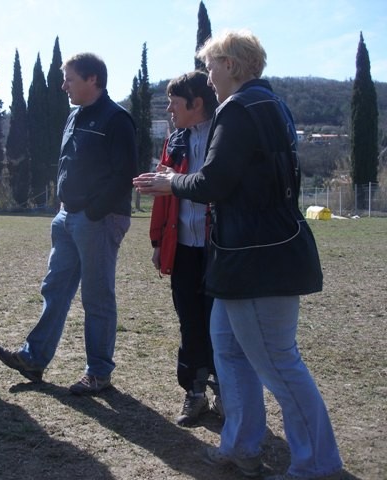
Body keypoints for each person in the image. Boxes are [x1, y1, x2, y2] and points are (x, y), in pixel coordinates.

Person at [134, 30, 343, 480]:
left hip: (256, 260)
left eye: (210, 67)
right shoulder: (272, 105)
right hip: (249, 256)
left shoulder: (239, 108)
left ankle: (319, 466)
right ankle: (243, 446)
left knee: (279, 363)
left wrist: (168, 183)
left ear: (231, 63)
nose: (208, 78)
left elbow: (213, 183)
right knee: (228, 350)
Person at [0, 53, 138, 395]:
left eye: (69, 79)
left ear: (92, 80)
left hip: (98, 220)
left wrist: (93, 211)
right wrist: (64, 204)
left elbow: (125, 174)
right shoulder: (74, 116)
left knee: (97, 297)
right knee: (55, 288)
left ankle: (98, 372)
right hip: (66, 217)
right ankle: (34, 358)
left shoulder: (117, 119)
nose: (63, 86)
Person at [149, 71, 221, 426]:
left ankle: (226, 393)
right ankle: (195, 394)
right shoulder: (175, 140)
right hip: (183, 247)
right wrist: (159, 241)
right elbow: (164, 196)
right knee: (190, 322)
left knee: (221, 325)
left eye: (175, 103)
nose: (169, 109)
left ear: (196, 103)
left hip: (219, 249)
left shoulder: (226, 136)